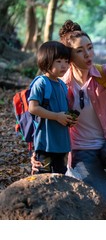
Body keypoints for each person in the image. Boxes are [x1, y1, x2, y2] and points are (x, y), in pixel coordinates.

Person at [31, 20, 106, 201]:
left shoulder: (102, 73)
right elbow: (44, 117)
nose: (88, 55)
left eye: (90, 48)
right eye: (80, 51)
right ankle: (77, 173)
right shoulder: (61, 85)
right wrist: (38, 151)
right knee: (102, 198)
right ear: (69, 57)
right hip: (81, 150)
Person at [28, 41, 74, 174]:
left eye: (66, 61)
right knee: (42, 173)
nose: (64, 65)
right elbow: (33, 108)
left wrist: (69, 118)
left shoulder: (62, 85)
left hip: (61, 142)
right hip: (45, 141)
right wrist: (57, 116)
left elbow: (62, 108)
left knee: (60, 174)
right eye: (58, 61)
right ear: (46, 62)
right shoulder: (41, 83)